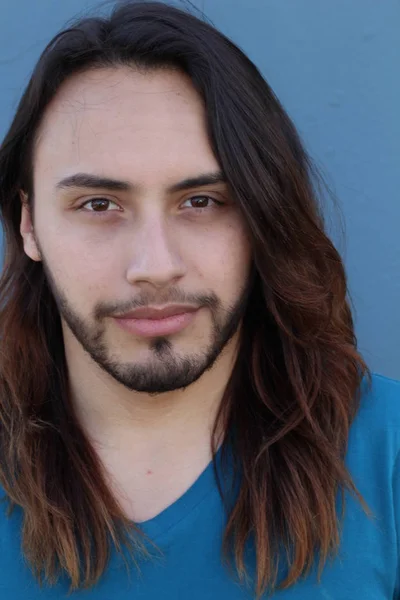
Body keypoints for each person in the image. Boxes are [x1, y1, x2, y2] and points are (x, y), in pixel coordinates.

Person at [0, 1, 398, 598]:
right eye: (98, 205)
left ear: (263, 215)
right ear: (29, 224)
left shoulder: (386, 451)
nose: (155, 266)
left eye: (202, 201)